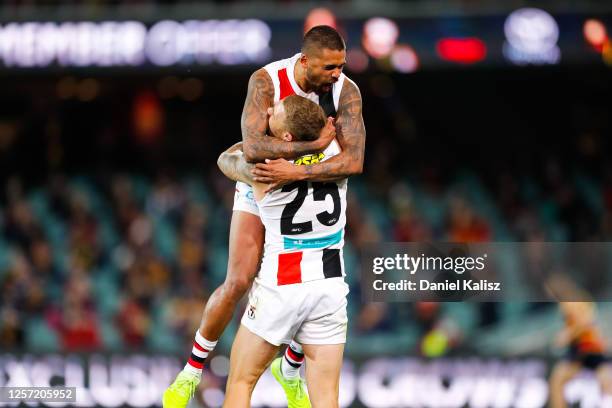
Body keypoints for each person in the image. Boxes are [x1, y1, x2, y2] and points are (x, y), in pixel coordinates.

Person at [163, 25, 365, 408]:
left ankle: (288, 368)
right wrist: (316, 147)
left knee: (292, 281)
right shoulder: (266, 81)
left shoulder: (346, 90)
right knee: (239, 279)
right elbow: (255, 147)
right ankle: (192, 371)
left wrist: (294, 169)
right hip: (274, 174)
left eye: (341, 66)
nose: (338, 74)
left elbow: (354, 160)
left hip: (282, 179)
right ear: (304, 61)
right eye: (329, 68)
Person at [218, 94, 349, 408]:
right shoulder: (336, 152)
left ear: (288, 136)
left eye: (275, 111)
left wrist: (263, 142)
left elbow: (226, 159)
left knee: (240, 381)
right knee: (327, 396)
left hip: (282, 282)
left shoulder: (262, 167)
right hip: (329, 284)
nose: (268, 111)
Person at [547, 276, 612, 407]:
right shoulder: (565, 303)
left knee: (606, 382)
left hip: (589, 348)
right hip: (580, 349)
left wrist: (567, 335)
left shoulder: (575, 300)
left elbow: (586, 322)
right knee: (557, 380)